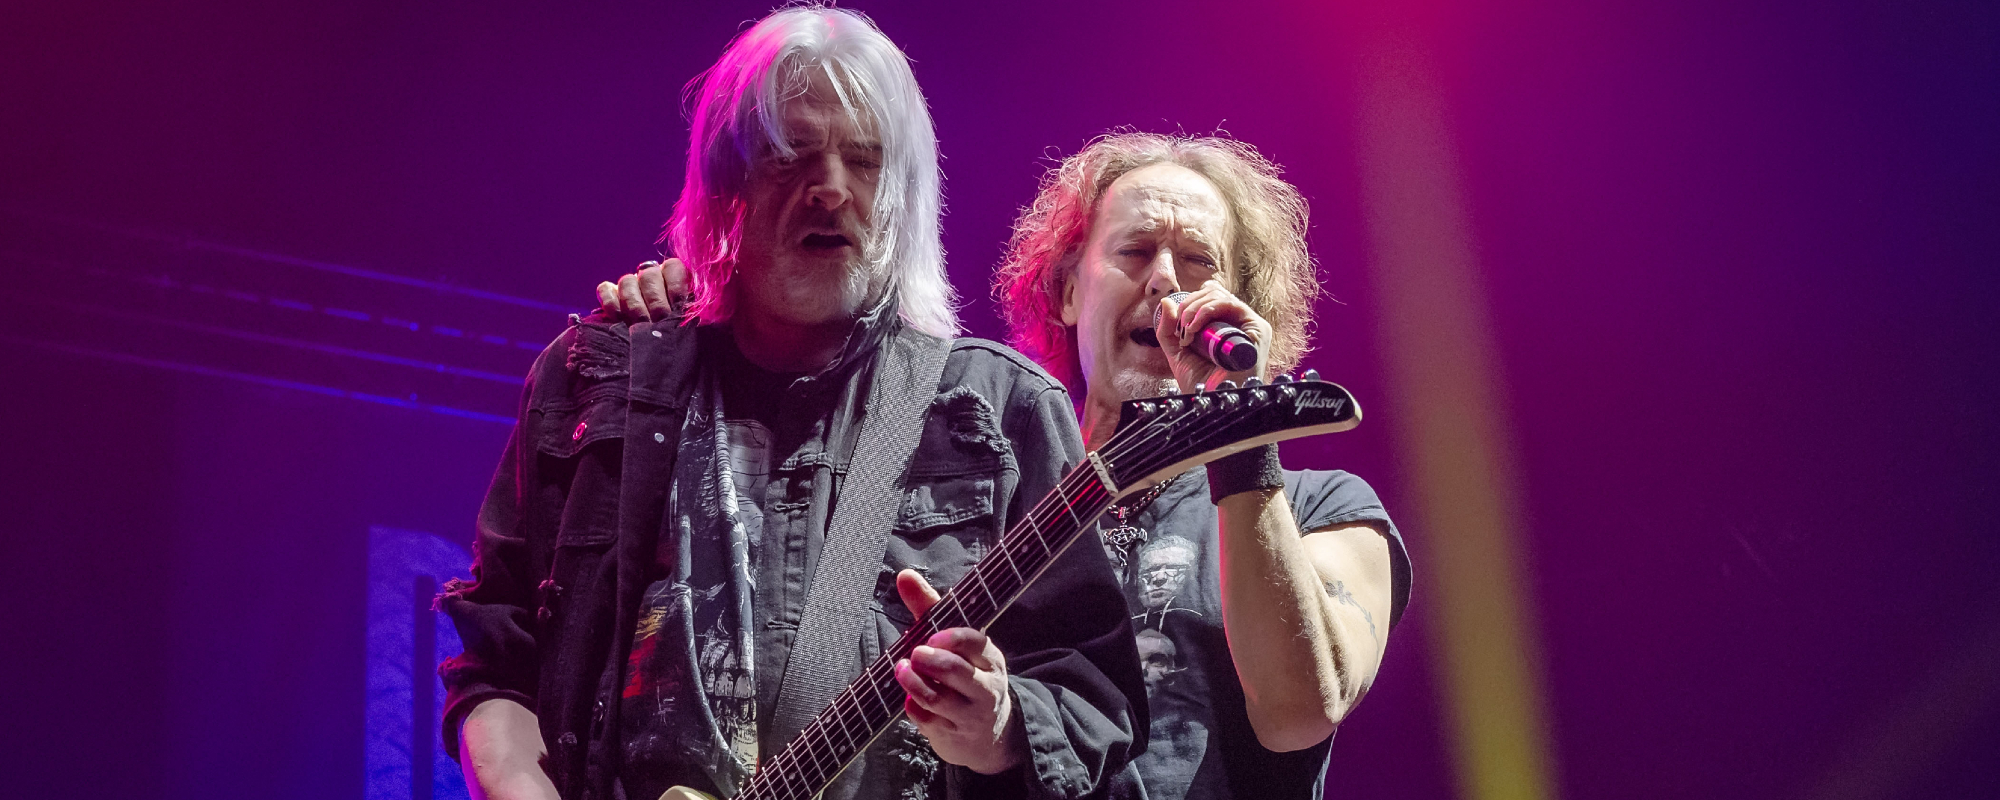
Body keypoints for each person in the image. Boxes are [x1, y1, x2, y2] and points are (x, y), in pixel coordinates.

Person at [442, 9, 1146, 800]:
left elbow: (1096, 698)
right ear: (725, 185)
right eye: (790, 156)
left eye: (866, 160)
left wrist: (1001, 726)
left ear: (906, 194)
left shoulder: (996, 409)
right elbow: (497, 666)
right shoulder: (594, 382)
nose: (831, 189)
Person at [603, 131, 1410, 799]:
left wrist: (1243, 445)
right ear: (1066, 292)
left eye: (1199, 262)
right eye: (1135, 251)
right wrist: (703, 313)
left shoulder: (1324, 506)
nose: (1167, 281)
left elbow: (1299, 711)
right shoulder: (971, 490)